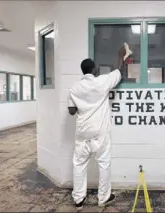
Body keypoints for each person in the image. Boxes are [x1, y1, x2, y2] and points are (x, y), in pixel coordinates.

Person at [67, 46, 127, 211]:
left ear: (82, 71)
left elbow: (71, 111)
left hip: (82, 131)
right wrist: (120, 54)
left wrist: (82, 106)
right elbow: (118, 70)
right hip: (100, 131)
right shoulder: (101, 81)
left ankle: (79, 200)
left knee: (79, 164)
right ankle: (103, 198)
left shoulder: (74, 88)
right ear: (93, 70)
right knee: (104, 163)